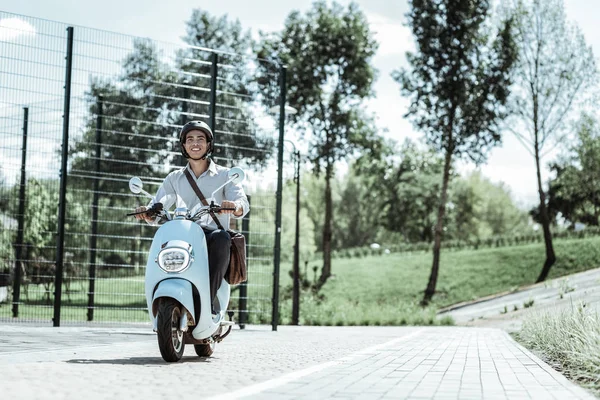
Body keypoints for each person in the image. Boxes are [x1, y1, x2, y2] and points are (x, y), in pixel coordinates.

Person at [133, 121, 249, 308]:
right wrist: (147, 213)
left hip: (211, 235)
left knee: (222, 238)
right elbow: (158, 207)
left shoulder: (225, 175)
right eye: (190, 139)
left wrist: (234, 206)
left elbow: (243, 204)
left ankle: (206, 302)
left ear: (209, 144)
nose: (195, 143)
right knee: (161, 241)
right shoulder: (174, 178)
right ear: (184, 145)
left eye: (200, 139)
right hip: (182, 233)